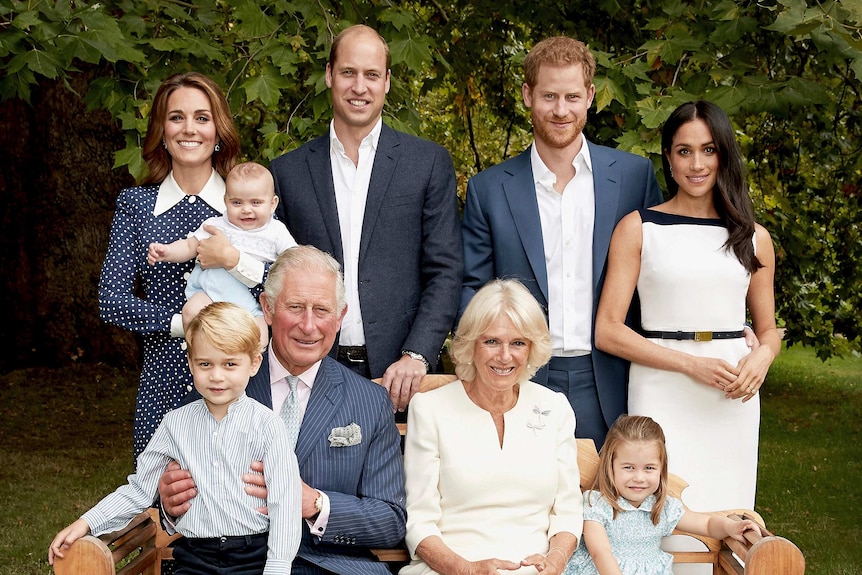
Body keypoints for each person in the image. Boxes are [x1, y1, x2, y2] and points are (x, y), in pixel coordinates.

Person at [460, 36, 663, 449]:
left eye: (572, 96)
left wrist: (727, 330)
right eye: (549, 96)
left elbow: (664, 271)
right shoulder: (489, 189)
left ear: (589, 96)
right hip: (522, 375)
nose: (560, 110)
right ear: (527, 95)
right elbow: (472, 288)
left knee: (614, 508)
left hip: (611, 374)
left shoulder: (632, 178)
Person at [159, 245, 407, 575]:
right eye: (295, 307)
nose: (308, 325)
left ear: (340, 316)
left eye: (321, 310)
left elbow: (390, 519)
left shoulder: (369, 401)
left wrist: (314, 504)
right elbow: (166, 488)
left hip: (330, 566)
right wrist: (168, 504)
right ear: (268, 308)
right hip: (230, 564)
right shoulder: (220, 381)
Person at [594, 100, 780, 513]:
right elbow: (607, 330)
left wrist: (763, 356)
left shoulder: (754, 238)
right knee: (660, 511)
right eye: (684, 151)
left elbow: (768, 330)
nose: (697, 164)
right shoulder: (639, 227)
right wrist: (691, 364)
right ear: (668, 156)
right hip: (661, 387)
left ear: (724, 155)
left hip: (733, 394)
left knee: (727, 510)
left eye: (709, 149)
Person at [268, 24, 463, 413]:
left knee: (398, 476)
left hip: (401, 375)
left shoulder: (426, 164)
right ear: (329, 75)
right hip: (310, 369)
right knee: (306, 476)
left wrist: (418, 354)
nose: (360, 86)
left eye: (372, 74)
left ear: (387, 82)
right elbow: (274, 274)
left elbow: (445, 269)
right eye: (348, 73)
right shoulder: (287, 173)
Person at [49, 302, 302, 574]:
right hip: (194, 557)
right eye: (205, 364)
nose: (217, 376)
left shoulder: (268, 425)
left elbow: (285, 502)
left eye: (230, 364)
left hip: (253, 558)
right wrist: (87, 522)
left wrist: (278, 566)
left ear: (253, 364)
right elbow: (139, 488)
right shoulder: (175, 423)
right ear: (191, 363)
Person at [98, 71, 264, 459]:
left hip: (243, 380)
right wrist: (183, 323)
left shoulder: (250, 203)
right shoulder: (136, 206)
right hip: (164, 378)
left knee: (243, 500)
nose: (189, 129)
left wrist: (234, 260)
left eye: (202, 118)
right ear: (161, 129)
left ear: (219, 130)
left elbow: (278, 288)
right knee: (163, 501)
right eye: (177, 117)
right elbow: (111, 300)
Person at [400, 279, 583, 575]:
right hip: (453, 569)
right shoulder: (430, 409)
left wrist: (555, 562)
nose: (505, 356)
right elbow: (418, 521)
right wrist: (466, 569)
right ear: (471, 344)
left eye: (518, 343)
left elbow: (568, 512)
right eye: (491, 341)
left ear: (532, 349)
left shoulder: (555, 407)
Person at [564, 415, 761, 575]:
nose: (639, 477)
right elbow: (601, 552)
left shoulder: (662, 507)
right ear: (611, 467)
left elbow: (707, 524)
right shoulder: (597, 504)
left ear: (661, 469)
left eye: (649, 468)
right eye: (628, 468)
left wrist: (730, 526)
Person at [148, 161, 298, 349]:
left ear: (272, 203)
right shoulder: (216, 224)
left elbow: (294, 261)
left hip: (251, 305)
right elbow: (189, 246)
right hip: (210, 295)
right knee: (190, 311)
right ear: (225, 201)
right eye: (237, 202)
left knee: (261, 338)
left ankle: (248, 372)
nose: (246, 209)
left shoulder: (276, 231)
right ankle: (201, 355)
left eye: (256, 202)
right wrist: (167, 251)